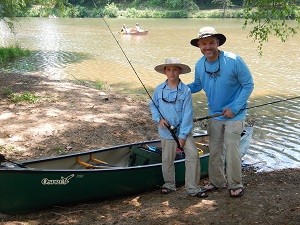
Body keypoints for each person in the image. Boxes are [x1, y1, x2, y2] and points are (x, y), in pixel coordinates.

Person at [187, 27, 254, 198]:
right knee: (215, 149)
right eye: (203, 44)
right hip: (214, 114)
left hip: (235, 114)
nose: (207, 47)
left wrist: (235, 108)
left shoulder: (234, 60)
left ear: (217, 43)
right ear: (199, 46)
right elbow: (197, 85)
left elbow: (248, 84)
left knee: (232, 148)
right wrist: (178, 88)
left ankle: (235, 183)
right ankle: (217, 181)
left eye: (211, 42)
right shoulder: (199, 64)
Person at [149, 57, 208, 198]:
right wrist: (159, 119)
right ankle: (169, 184)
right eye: (168, 69)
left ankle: (192, 188)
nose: (171, 73)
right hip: (165, 132)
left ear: (180, 71)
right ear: (165, 72)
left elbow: (188, 114)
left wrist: (182, 136)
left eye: (175, 69)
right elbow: (153, 106)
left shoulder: (186, 91)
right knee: (167, 159)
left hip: (183, 132)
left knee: (193, 155)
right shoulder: (158, 89)